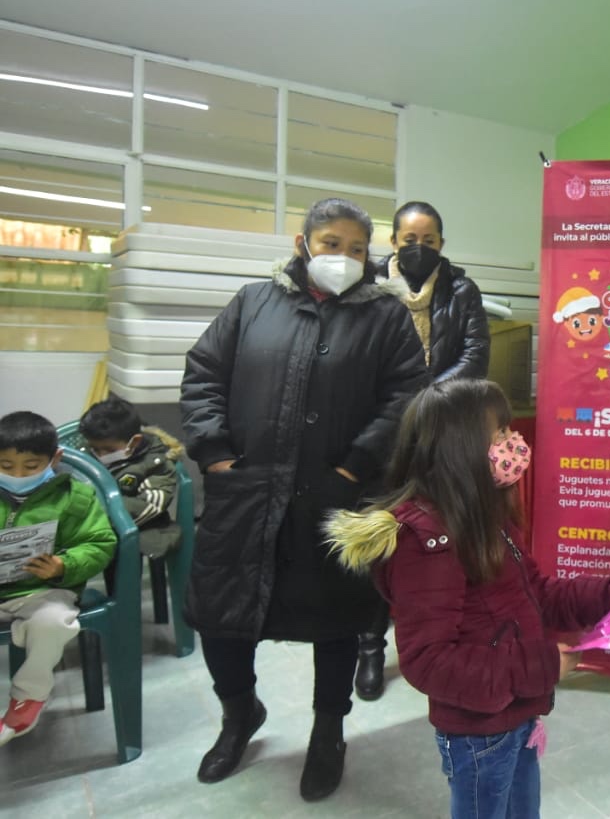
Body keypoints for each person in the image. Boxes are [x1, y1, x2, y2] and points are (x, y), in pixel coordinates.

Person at [180, 197, 430, 801]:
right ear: (302, 244)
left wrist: (354, 466)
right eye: (329, 243)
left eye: (354, 248)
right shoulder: (253, 302)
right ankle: (239, 715)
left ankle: (328, 732)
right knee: (224, 615)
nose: (341, 257)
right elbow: (203, 373)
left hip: (335, 494)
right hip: (246, 490)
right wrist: (215, 453)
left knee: (335, 620)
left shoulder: (386, 318)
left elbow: (406, 397)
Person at [326, 378, 610, 819]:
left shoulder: (484, 515)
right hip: (479, 734)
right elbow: (428, 660)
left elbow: (535, 593)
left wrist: (604, 596)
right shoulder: (428, 544)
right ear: (460, 450)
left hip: (517, 712)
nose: (514, 445)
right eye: (501, 435)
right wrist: (541, 665)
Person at [358, 200, 491, 701]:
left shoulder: (462, 288)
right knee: (380, 537)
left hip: (440, 433)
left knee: (437, 538)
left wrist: (425, 400)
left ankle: (438, 638)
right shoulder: (367, 290)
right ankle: (370, 645)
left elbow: (475, 356)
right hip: (378, 436)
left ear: (441, 244)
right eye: (409, 240)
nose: (419, 249)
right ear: (393, 242)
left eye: (429, 241)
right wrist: (396, 405)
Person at [0, 411, 116, 745]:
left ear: (55, 458)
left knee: (52, 623)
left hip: (42, 591)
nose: (17, 475)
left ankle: (28, 698)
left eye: (31, 466)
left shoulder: (75, 498)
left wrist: (63, 565)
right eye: (5, 467)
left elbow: (99, 543)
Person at [78, 396, 183, 559]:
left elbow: (149, 506)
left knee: (119, 549)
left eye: (108, 450)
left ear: (134, 441)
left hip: (138, 526)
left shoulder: (155, 464)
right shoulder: (84, 455)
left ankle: (121, 585)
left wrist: (101, 516)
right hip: (90, 521)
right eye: (94, 449)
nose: (100, 455)